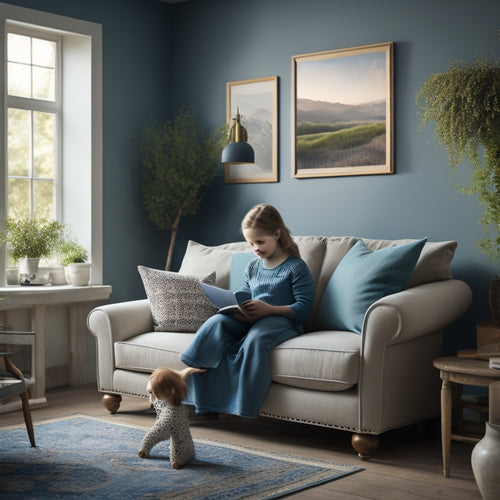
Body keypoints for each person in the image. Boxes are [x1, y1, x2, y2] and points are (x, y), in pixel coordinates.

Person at [180, 203, 314, 418]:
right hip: (252, 318)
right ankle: (191, 385)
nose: (255, 248)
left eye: (260, 242)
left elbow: (304, 308)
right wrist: (238, 307)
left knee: (256, 339)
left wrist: (269, 309)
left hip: (281, 322)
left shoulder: (296, 267)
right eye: (251, 243)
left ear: (277, 234)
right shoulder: (253, 266)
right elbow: (245, 291)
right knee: (217, 323)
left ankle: (243, 406)